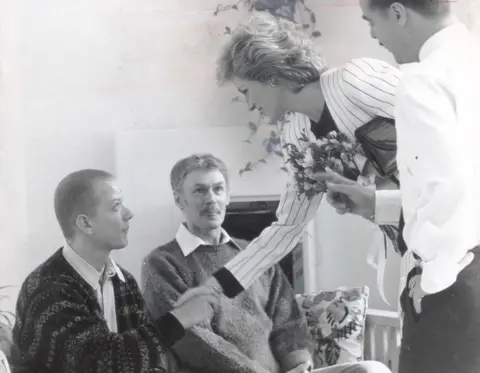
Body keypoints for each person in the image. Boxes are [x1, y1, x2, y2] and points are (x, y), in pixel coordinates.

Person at [175, 11, 396, 373]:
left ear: (270, 75)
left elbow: (441, 125)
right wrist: (216, 287)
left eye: (246, 91)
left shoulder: (354, 82)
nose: (248, 105)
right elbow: (286, 228)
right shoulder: (296, 135)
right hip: (410, 245)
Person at [321, 1, 480, 372]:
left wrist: (434, 280)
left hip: (458, 278)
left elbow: (449, 188)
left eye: (370, 21)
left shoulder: (422, 79)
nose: (375, 36)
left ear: (397, 13)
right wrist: (380, 203)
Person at [10, 169, 219, 373]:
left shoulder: (124, 281)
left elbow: (148, 359)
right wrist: (180, 317)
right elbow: (101, 361)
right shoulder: (48, 289)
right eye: (116, 206)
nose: (129, 214)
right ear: (85, 223)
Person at [142, 153, 313, 373]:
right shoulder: (161, 263)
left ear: (228, 196)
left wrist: (298, 364)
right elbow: (192, 339)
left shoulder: (255, 253)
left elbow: (289, 320)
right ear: (179, 200)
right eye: (199, 190)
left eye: (218, 189)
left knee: (366, 369)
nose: (211, 199)